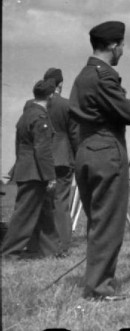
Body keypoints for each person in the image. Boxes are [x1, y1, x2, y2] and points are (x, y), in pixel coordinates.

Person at [69, 21, 130, 301]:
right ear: (114, 46)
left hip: (86, 149)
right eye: (122, 45)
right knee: (109, 223)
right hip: (107, 152)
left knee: (97, 220)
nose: (123, 51)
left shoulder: (83, 75)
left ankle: (97, 281)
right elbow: (129, 114)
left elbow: (110, 109)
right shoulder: (104, 76)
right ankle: (99, 288)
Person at [1, 80, 61, 260]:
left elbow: (20, 147)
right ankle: (8, 253)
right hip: (35, 173)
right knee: (24, 214)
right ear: (51, 95)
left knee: (45, 212)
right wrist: (50, 177)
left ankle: (49, 252)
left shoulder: (26, 115)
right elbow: (42, 150)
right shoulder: (40, 117)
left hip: (27, 170)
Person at [43, 67, 79, 255]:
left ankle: (43, 245)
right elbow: (75, 135)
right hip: (63, 158)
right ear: (60, 84)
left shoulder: (35, 104)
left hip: (41, 158)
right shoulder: (67, 105)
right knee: (61, 203)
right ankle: (63, 246)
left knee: (42, 204)